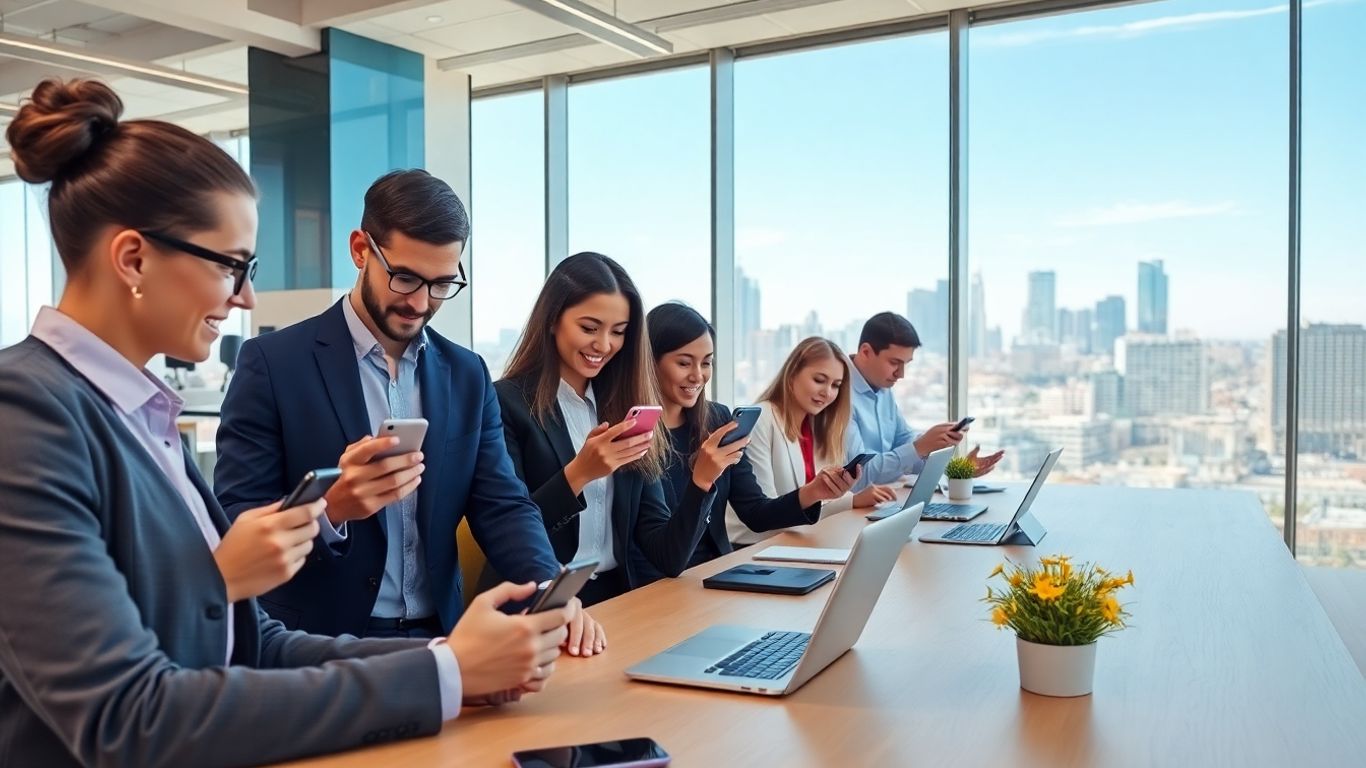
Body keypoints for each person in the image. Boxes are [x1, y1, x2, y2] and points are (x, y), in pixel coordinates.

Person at [0, 78, 573, 767]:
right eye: (231, 266)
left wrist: (452, 658)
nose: (245, 296)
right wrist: (443, 675)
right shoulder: (24, 412)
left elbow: (257, 643)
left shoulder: (141, 415)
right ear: (133, 258)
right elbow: (128, 716)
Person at [214, 169, 603, 654]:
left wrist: (551, 592)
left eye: (441, 284)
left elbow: (502, 504)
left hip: (444, 637)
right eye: (404, 278)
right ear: (360, 250)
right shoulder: (273, 364)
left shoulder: (467, 374)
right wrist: (330, 509)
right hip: (315, 646)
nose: (420, 303)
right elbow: (235, 520)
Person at [492, 253, 716, 605]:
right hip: (538, 599)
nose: (604, 345)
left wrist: (702, 482)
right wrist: (579, 473)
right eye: (589, 328)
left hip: (615, 599)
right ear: (553, 320)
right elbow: (507, 529)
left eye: (618, 332)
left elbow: (667, 556)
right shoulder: (507, 402)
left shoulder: (624, 408)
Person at [631, 303, 857, 583]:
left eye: (706, 362)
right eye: (684, 362)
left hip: (714, 573)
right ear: (650, 362)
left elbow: (755, 512)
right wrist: (701, 481)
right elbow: (670, 560)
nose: (698, 375)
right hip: (657, 587)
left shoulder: (717, 419)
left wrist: (813, 492)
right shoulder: (636, 434)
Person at [729, 337, 897, 546]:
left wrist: (850, 498)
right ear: (791, 376)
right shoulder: (763, 418)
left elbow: (813, 502)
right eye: (819, 380)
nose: (827, 393)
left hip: (791, 540)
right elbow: (766, 513)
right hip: (753, 546)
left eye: (836, 385)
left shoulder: (818, 425)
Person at [847, 312, 1004, 485]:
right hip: (853, 508)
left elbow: (903, 443)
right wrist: (920, 447)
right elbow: (858, 476)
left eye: (906, 364)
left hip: (884, 500)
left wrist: (951, 463)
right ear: (866, 352)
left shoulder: (882, 388)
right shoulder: (839, 396)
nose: (901, 374)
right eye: (894, 362)